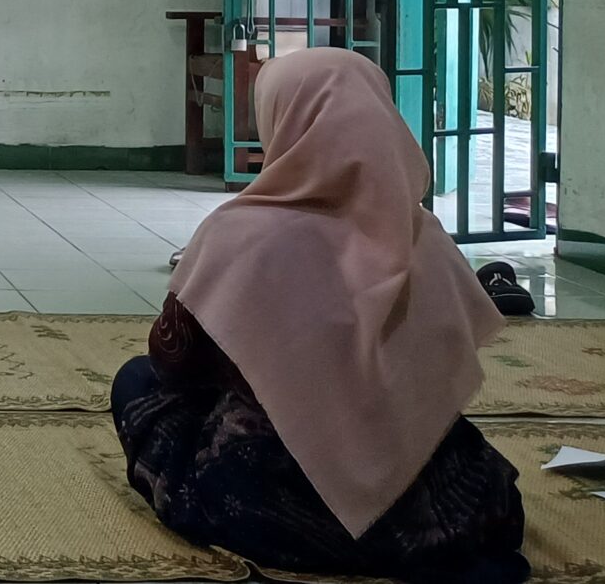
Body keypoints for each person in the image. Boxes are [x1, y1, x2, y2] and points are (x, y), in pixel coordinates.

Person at [110, 47, 525, 584]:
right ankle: (423, 540)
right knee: (465, 465)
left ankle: (344, 538)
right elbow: (445, 373)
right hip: (432, 493)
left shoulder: (240, 236)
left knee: (136, 382)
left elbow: (171, 362)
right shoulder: (424, 238)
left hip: (283, 496)